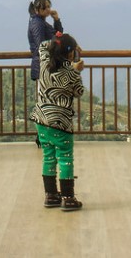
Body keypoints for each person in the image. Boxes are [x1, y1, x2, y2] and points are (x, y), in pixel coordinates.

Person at [29, 32, 85, 211]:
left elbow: (43, 46)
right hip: (61, 122)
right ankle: (68, 198)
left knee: (49, 157)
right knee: (65, 158)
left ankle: (51, 195)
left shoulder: (45, 62)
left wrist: (59, 41)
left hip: (42, 120)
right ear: (70, 53)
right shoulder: (71, 72)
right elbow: (79, 92)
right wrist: (76, 69)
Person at [28, 0, 62, 81]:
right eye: (44, 7)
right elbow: (41, 45)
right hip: (43, 65)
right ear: (37, 9)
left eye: (49, 6)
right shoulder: (37, 24)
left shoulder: (41, 22)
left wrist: (56, 20)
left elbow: (58, 34)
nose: (48, 9)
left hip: (46, 63)